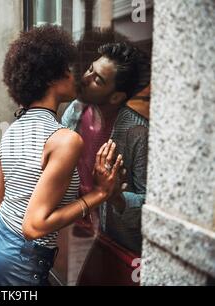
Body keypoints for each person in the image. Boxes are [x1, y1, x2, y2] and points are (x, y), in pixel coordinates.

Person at [0, 25, 123, 286]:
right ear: (51, 77)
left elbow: (3, 201)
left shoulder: (12, 129)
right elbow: (33, 227)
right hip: (19, 262)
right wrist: (99, 194)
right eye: (68, 68)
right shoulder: (66, 140)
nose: (75, 74)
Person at [61, 42, 151, 256]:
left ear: (116, 97)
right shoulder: (75, 109)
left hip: (112, 246)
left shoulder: (138, 133)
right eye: (90, 69)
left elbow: (150, 206)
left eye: (97, 80)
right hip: (71, 226)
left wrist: (116, 196)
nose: (85, 78)